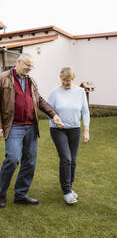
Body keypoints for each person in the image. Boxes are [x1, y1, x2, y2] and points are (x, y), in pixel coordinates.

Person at [0, 53, 63, 208]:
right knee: (12, 159)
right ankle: (1, 193)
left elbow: (40, 100)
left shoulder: (31, 80)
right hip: (14, 126)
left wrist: (54, 115)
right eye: (27, 65)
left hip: (31, 126)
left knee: (29, 162)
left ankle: (21, 194)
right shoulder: (3, 78)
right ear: (18, 62)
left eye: (32, 66)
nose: (30, 68)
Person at [48, 67, 90, 204]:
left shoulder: (80, 92)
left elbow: (85, 111)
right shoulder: (55, 92)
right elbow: (49, 110)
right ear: (61, 78)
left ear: (73, 78)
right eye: (64, 80)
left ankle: (69, 187)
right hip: (58, 129)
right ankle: (66, 192)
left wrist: (86, 130)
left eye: (69, 80)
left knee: (73, 160)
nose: (66, 83)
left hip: (75, 129)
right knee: (66, 158)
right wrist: (55, 119)